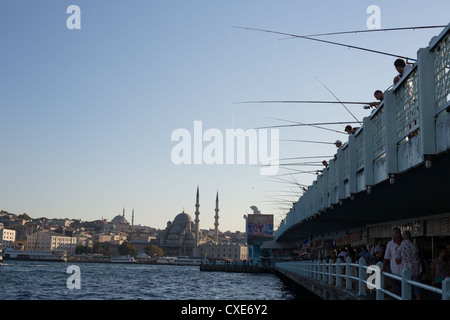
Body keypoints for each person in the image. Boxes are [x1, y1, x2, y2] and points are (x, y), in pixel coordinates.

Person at [394, 230, 423, 300]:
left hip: (406, 272)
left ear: (403, 237)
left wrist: (397, 254)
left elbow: (397, 261)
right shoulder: (415, 245)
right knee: (417, 291)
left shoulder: (400, 247)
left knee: (406, 292)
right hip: (416, 270)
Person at [382, 227, 402, 296]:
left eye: (399, 233)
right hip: (395, 271)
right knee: (396, 291)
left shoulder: (404, 242)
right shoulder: (390, 244)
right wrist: (383, 268)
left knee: (406, 291)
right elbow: (386, 257)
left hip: (405, 271)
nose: (398, 234)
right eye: (396, 233)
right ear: (393, 235)